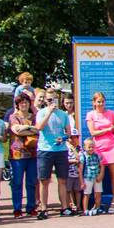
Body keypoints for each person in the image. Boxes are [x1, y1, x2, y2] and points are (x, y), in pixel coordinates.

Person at [35, 88, 76, 218]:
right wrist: (49, 112)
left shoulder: (63, 115)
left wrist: (63, 138)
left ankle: (64, 207)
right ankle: (43, 209)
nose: (52, 102)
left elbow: (68, 133)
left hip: (61, 150)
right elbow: (39, 127)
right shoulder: (41, 112)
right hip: (45, 150)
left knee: (62, 180)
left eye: (54, 99)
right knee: (44, 180)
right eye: (49, 99)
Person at [85, 91, 114, 212]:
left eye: (102, 101)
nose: (101, 104)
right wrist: (108, 129)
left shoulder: (111, 113)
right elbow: (92, 133)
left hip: (112, 146)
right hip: (98, 148)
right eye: (98, 102)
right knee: (98, 175)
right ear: (94, 103)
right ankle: (97, 204)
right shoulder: (90, 115)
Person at [6, 93, 39, 218]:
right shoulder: (13, 116)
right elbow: (16, 130)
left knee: (31, 182)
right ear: (17, 105)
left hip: (32, 153)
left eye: (26, 102)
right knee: (17, 182)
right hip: (17, 154)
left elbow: (38, 129)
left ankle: (31, 207)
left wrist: (26, 129)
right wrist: (30, 128)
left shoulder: (34, 116)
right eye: (21, 103)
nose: (24, 105)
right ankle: (17, 208)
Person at [80, 137, 103, 215]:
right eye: (89, 147)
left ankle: (97, 208)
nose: (91, 149)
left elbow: (102, 166)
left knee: (98, 193)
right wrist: (82, 182)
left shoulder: (97, 156)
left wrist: (100, 175)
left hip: (97, 177)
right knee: (87, 194)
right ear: (84, 147)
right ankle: (85, 210)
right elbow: (80, 170)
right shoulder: (83, 156)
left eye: (92, 147)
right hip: (87, 177)